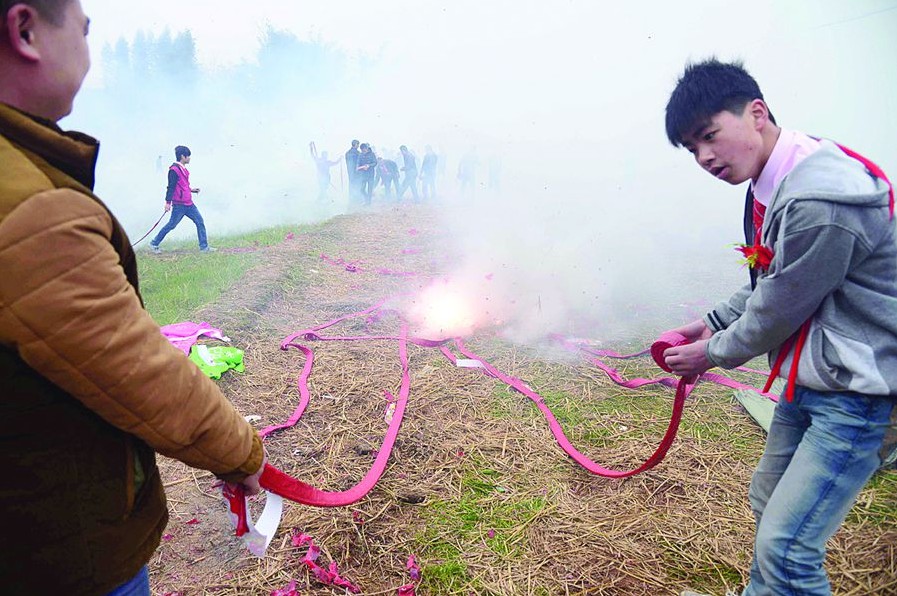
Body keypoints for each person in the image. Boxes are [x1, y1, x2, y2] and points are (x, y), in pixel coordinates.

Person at [0, 2, 265, 594]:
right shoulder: (31, 210)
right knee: (186, 226)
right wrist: (242, 454)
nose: (89, 50)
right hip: (52, 552)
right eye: (84, 29)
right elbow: (140, 373)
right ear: (25, 30)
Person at [662, 59, 896, 596]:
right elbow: (772, 278)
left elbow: (779, 308)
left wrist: (710, 352)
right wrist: (710, 322)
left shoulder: (819, 199)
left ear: (757, 113)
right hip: (811, 379)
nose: (704, 157)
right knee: (770, 506)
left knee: (788, 547)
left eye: (709, 136)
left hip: (856, 393)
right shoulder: (778, 177)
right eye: (692, 149)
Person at [149, 145, 216, 253]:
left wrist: (191, 190)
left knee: (199, 221)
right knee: (172, 225)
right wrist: (167, 203)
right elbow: (171, 187)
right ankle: (154, 243)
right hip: (179, 205)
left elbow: (182, 185)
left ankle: (204, 247)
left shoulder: (183, 170)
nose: (189, 158)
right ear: (182, 156)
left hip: (189, 204)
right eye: (188, 156)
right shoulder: (174, 170)